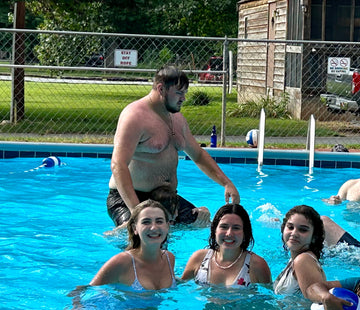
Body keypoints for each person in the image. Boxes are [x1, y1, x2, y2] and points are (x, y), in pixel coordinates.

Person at [107, 63, 239, 228]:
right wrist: (137, 212)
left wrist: (227, 183)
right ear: (161, 89)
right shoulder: (134, 116)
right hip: (130, 198)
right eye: (179, 92)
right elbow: (118, 165)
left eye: (185, 92)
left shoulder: (177, 119)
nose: (183, 98)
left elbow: (198, 155)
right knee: (138, 239)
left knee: (206, 226)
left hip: (166, 198)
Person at [90, 200, 177, 290]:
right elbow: (85, 291)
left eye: (159, 221)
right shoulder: (122, 262)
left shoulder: (169, 258)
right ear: (135, 228)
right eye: (146, 222)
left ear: (167, 226)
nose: (154, 227)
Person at [181, 204, 271, 286]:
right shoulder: (199, 258)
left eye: (236, 228)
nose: (229, 233)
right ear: (215, 230)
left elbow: (269, 299)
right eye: (224, 227)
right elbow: (180, 288)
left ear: (245, 232)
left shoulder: (256, 265)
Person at [273, 205, 327, 295]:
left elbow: (314, 304)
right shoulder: (295, 258)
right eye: (290, 227)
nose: (294, 233)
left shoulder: (303, 261)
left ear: (314, 237)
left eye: (302, 230)